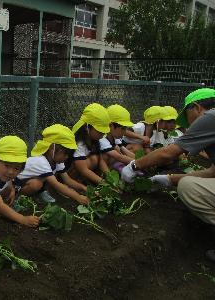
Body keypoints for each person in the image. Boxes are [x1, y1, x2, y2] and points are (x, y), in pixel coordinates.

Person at [120, 88, 215, 261]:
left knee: (188, 187)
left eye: (187, 117)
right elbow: (212, 173)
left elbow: (169, 152)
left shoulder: (210, 117)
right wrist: (170, 179)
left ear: (197, 107)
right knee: (186, 182)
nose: (187, 124)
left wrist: (134, 165)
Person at [15, 124, 88, 205]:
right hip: (16, 184)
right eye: (65, 153)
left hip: (28, 181)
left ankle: (39, 193)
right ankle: (18, 197)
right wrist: (78, 197)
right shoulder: (41, 162)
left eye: (69, 154)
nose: (67, 157)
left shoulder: (56, 162)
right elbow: (56, 184)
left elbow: (68, 180)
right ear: (51, 148)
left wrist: (84, 188)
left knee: (42, 180)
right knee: (36, 184)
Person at [68, 103, 111, 185]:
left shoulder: (94, 138)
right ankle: (75, 183)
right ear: (87, 127)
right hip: (69, 171)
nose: (102, 135)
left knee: (97, 158)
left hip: (82, 167)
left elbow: (101, 161)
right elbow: (83, 169)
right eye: (99, 132)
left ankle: (85, 181)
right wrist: (104, 183)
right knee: (93, 159)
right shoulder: (79, 142)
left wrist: (111, 178)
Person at [99, 105, 135, 173]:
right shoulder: (102, 137)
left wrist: (142, 160)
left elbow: (125, 151)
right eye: (123, 129)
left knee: (118, 149)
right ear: (111, 125)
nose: (124, 132)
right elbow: (119, 157)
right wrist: (138, 163)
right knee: (107, 156)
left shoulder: (114, 136)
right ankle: (105, 176)